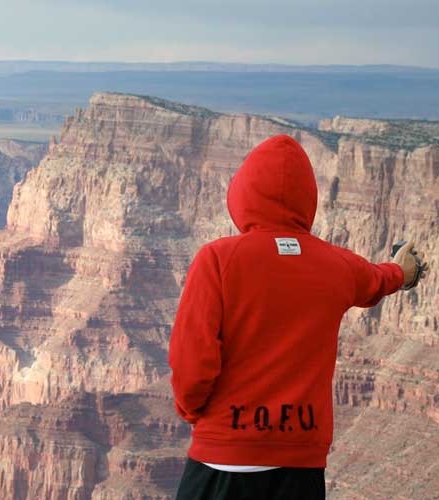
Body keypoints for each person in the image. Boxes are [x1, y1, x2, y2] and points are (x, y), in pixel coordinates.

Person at [169, 134, 425, 499]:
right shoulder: (337, 266)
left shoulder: (218, 260)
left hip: (223, 463)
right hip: (300, 468)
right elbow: (379, 279)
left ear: (244, 193)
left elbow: (191, 359)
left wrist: (197, 414)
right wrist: (405, 272)